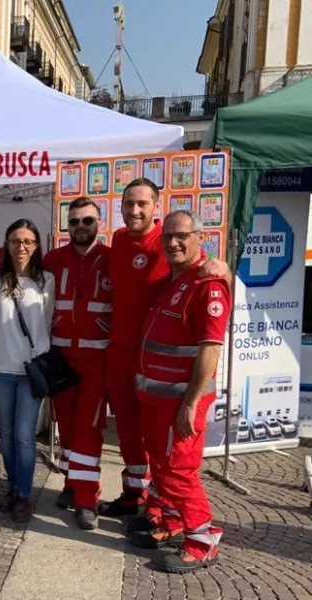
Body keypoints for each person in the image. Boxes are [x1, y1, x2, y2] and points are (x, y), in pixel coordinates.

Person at [102, 178, 229, 523]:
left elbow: (208, 273)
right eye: (129, 203)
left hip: (154, 366)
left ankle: (161, 507)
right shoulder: (117, 239)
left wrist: (225, 267)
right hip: (120, 352)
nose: (135, 210)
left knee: (157, 441)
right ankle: (134, 494)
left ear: (156, 207)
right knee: (127, 430)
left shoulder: (169, 239)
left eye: (143, 203)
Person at [128, 210, 230, 573]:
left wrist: (190, 404)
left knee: (177, 470)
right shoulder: (175, 280)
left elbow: (210, 349)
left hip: (180, 403)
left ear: (199, 237)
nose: (173, 242)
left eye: (182, 235)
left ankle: (203, 539)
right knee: (160, 461)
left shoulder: (208, 286)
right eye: (168, 236)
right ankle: (170, 521)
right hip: (158, 400)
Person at [43, 198, 111, 531]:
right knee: (67, 427)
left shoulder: (114, 260)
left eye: (87, 220)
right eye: (74, 222)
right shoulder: (52, 260)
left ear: (100, 222)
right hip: (60, 357)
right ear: (66, 226)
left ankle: (87, 500)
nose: (81, 226)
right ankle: (73, 483)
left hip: (96, 359)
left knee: (89, 429)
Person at [0, 219, 54, 523]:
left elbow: (50, 324)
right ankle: (12, 487)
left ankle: (24, 495)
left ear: (37, 245)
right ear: (7, 244)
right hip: (1, 368)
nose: (22, 247)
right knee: (6, 434)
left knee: (25, 436)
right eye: (15, 241)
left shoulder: (47, 281)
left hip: (31, 372)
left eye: (28, 241)